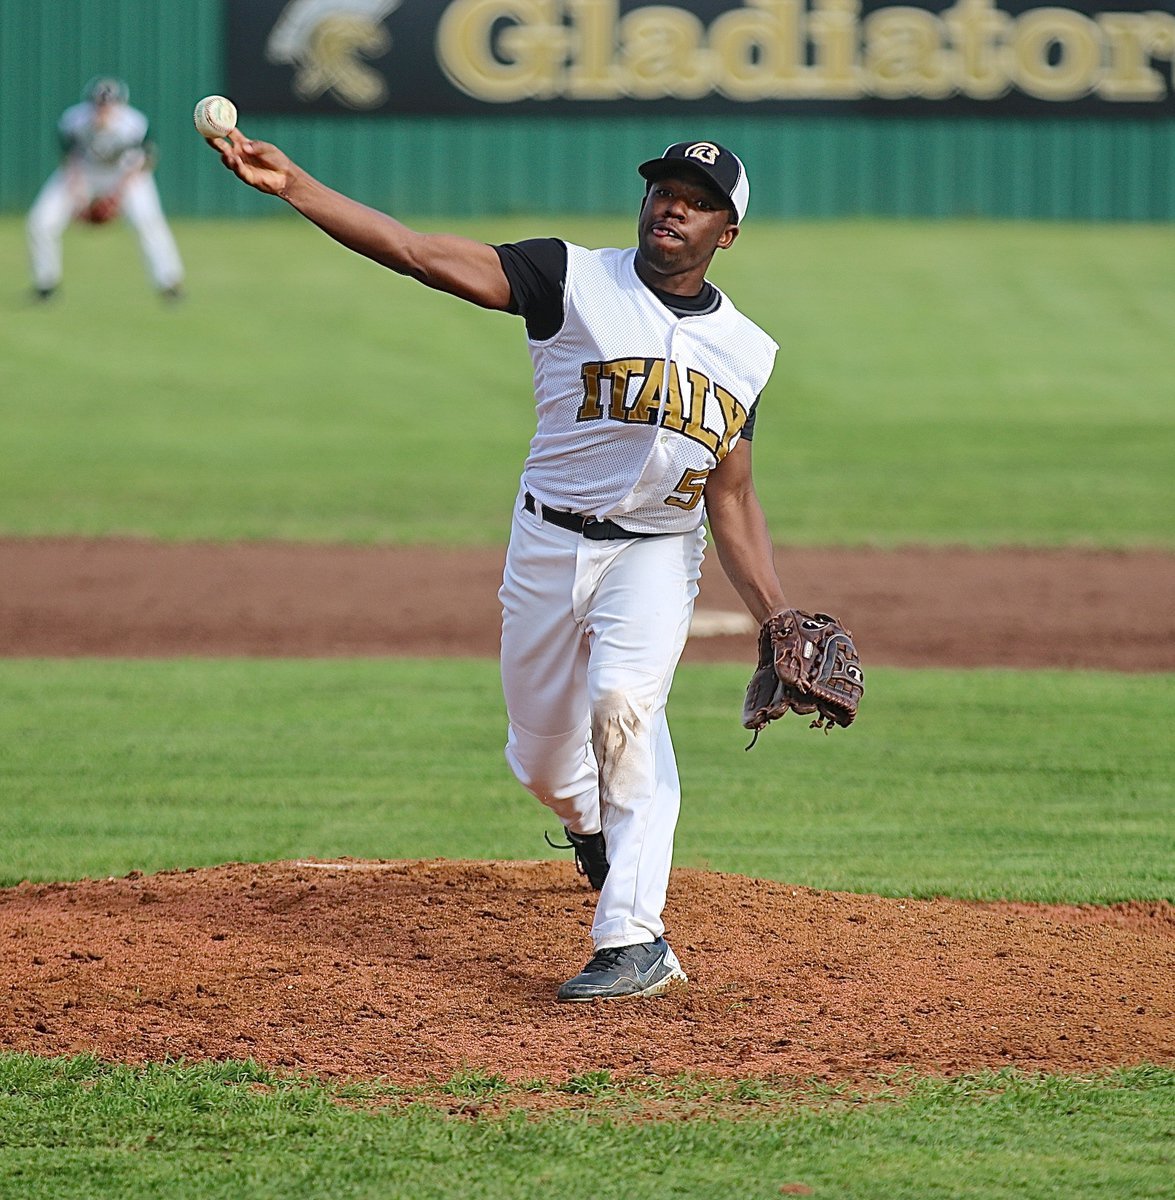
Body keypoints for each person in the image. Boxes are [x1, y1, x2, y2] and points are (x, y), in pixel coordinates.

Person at [206, 128, 790, 1002]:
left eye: (699, 200)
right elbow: (414, 253)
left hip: (657, 554)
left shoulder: (747, 351)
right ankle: (589, 824)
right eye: (664, 189)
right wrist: (296, 185)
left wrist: (776, 615)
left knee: (626, 704)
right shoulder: (570, 278)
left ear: (726, 235)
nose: (674, 205)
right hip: (548, 544)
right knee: (545, 764)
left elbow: (731, 495)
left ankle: (634, 937)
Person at [27, 77, 185, 302]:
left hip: (125, 174)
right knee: (41, 221)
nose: (103, 109)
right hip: (85, 171)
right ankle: (45, 285)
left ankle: (169, 282)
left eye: (109, 104)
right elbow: (69, 160)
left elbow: (145, 162)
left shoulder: (133, 123)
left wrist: (114, 198)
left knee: (148, 221)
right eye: (98, 104)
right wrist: (78, 197)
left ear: (121, 104)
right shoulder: (74, 120)